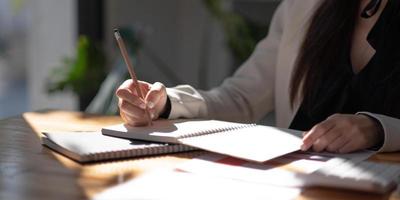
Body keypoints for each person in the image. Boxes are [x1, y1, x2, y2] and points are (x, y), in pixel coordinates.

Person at [116, 0, 400, 154]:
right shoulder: (304, 7)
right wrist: (166, 103)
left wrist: (378, 129)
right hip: (300, 186)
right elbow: (241, 99)